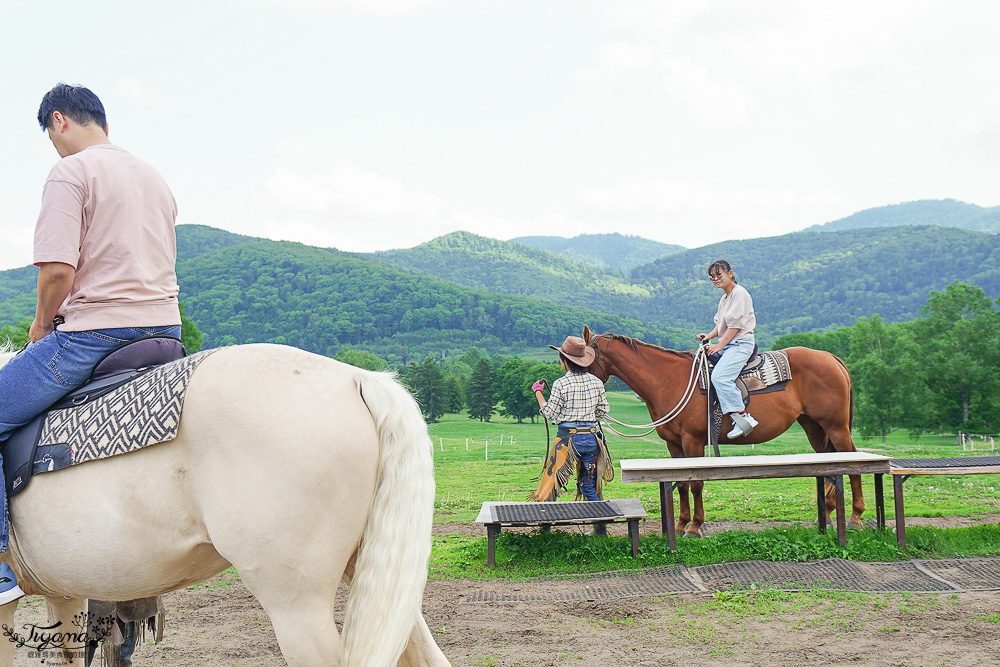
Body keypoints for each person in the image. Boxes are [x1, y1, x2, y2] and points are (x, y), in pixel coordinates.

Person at [0, 83, 182, 605]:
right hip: (165, 334)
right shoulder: (154, 176)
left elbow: (58, 270)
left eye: (50, 137)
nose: (54, 148)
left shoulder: (70, 171)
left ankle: (1, 570)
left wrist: (40, 327)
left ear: (59, 121)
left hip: (96, 334)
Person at [531, 335, 610, 501]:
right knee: (589, 486)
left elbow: (549, 413)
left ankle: (546, 524)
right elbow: (603, 411)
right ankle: (600, 525)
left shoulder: (561, 383)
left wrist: (538, 393)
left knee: (551, 484)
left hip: (567, 440)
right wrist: (587, 416)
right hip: (590, 438)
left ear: (564, 361)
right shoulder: (597, 382)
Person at [697, 259, 758, 439]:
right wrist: (709, 336)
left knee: (720, 377)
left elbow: (735, 327)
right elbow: (721, 324)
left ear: (730, 274)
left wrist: (718, 345)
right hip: (729, 344)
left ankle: (743, 417)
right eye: (712, 277)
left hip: (740, 344)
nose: (716, 279)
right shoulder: (724, 298)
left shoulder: (740, 294)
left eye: (719, 275)